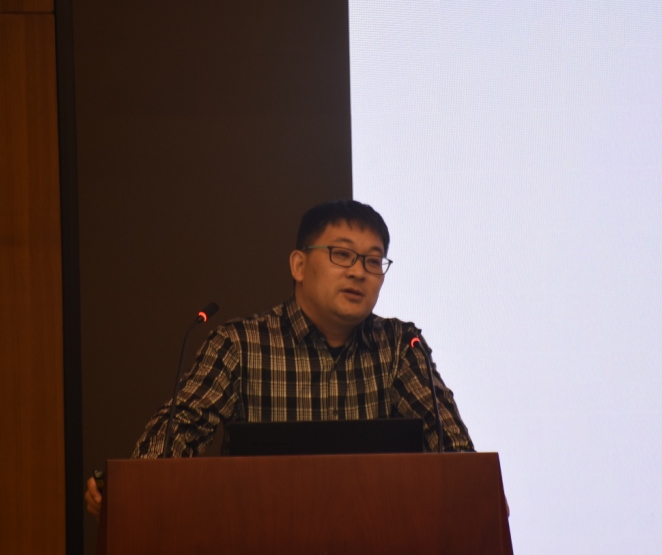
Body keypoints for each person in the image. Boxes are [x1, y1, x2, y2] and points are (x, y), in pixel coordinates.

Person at [85, 199, 473, 518]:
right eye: (342, 255)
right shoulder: (240, 344)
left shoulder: (400, 345)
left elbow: (452, 449)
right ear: (299, 265)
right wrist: (131, 488)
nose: (359, 272)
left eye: (373, 261)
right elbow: (179, 431)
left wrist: (472, 487)